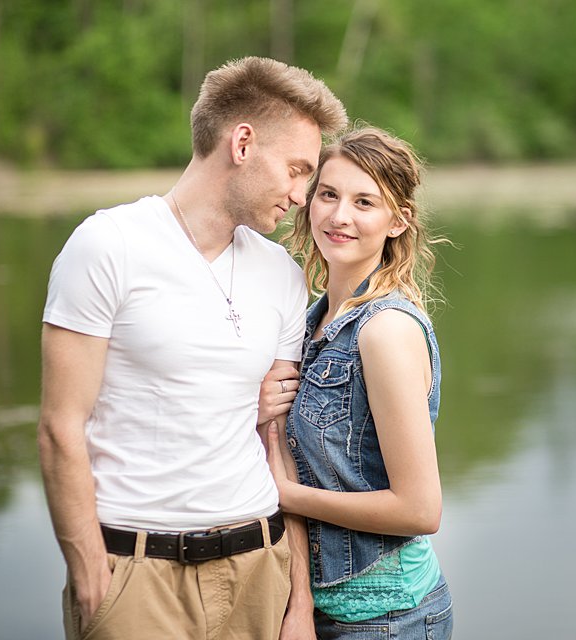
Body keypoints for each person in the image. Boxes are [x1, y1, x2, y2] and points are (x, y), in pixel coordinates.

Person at [37, 56, 346, 640]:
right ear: (243, 142)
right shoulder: (108, 246)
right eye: (297, 169)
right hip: (137, 576)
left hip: (259, 568)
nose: (302, 196)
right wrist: (90, 577)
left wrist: (298, 599)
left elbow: (275, 441)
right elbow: (60, 427)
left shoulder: (282, 272)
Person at [262, 126, 453, 639]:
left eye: (364, 202)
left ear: (397, 222)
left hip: (387, 618)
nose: (339, 215)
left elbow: (419, 509)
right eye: (328, 194)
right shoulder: (310, 321)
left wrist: (284, 495)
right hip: (315, 608)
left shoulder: (385, 330)